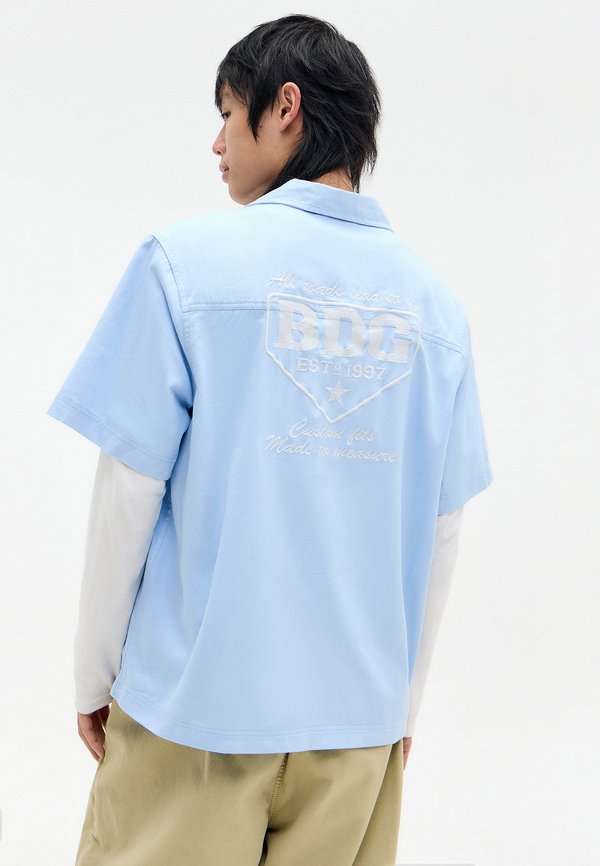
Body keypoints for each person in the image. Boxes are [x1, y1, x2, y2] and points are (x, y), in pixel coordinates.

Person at [47, 13, 493, 866]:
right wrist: (400, 710)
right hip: (356, 732)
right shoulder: (436, 311)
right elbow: (443, 529)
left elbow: (128, 488)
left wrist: (94, 677)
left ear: (285, 107)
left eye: (227, 113)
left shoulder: (184, 265)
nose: (217, 143)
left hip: (194, 717)